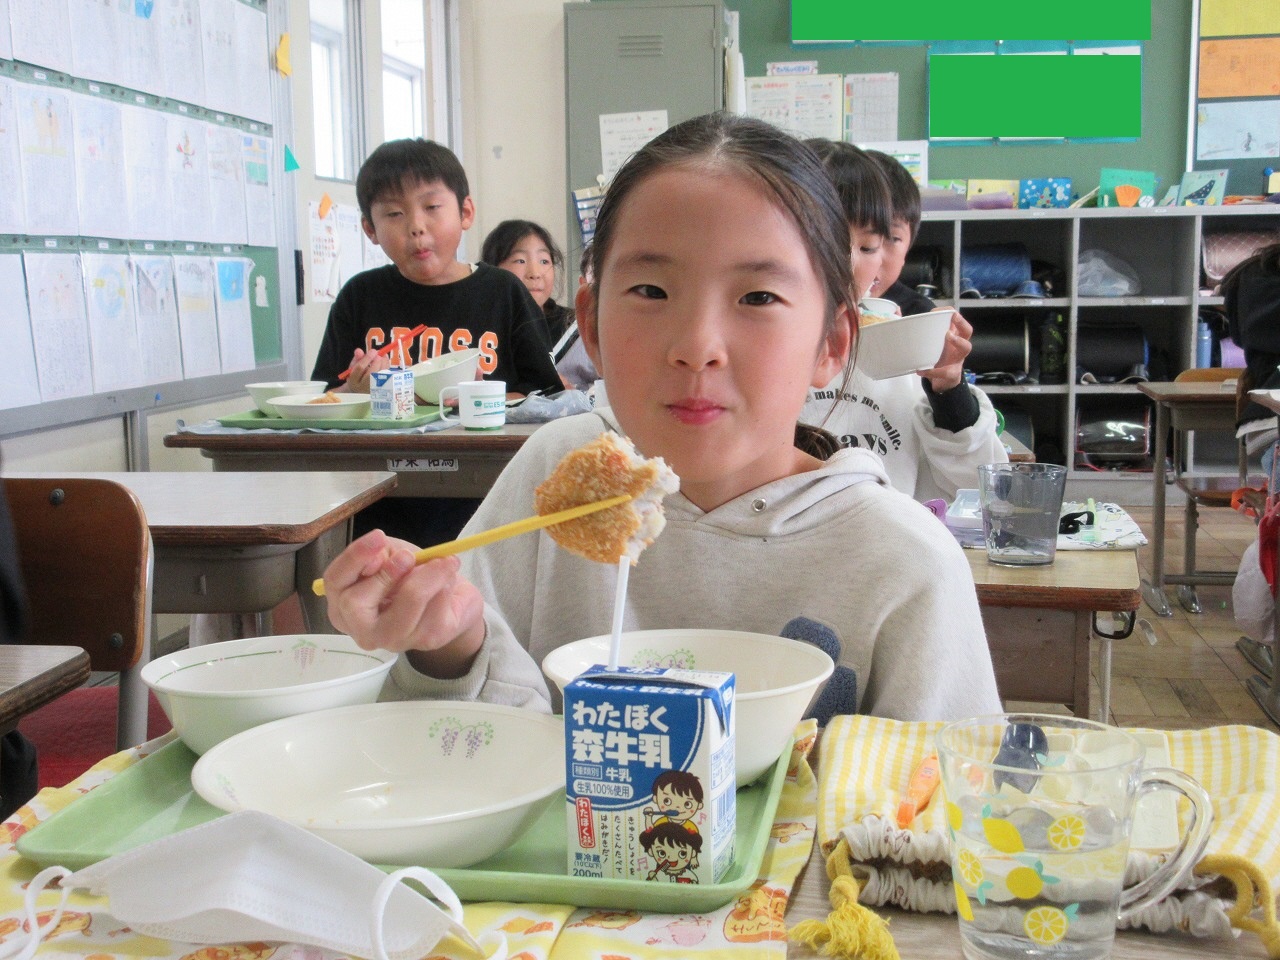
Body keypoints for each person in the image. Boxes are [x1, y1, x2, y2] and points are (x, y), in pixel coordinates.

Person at [319, 112, 1001, 723]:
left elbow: (951, 820)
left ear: (831, 344)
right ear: (590, 322)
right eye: (650, 290)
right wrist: (449, 644)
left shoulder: (906, 564)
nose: (696, 347)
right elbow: (473, 754)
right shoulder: (552, 476)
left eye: (758, 296)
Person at [310, 138, 564, 547]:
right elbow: (321, 400)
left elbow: (548, 396)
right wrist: (351, 394)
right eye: (394, 213)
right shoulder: (360, 296)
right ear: (370, 229)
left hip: (488, 500)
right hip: (381, 503)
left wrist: (483, 401)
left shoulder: (502, 293)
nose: (416, 225)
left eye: (431, 207)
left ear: (465, 212)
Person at [799, 141, 1006, 503]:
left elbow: (979, 486)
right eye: (830, 239)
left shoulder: (914, 336)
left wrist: (949, 388)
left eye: (870, 246)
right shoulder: (756, 347)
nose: (849, 265)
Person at [481, 219, 575, 343]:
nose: (535, 274)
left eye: (544, 261)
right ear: (492, 268)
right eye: (520, 261)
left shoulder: (571, 327)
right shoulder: (480, 328)